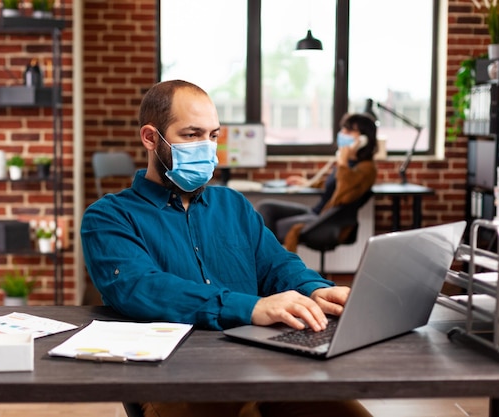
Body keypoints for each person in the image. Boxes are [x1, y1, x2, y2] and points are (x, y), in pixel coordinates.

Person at [81, 80, 371, 417]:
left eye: (213, 135)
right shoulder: (108, 217)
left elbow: (277, 265)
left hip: (258, 362)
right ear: (150, 138)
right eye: (191, 135)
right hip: (173, 377)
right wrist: (250, 308)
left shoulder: (233, 205)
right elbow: (140, 287)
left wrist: (314, 289)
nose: (206, 147)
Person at [256, 114, 378, 252]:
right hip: (316, 212)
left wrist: (343, 162)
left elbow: (344, 194)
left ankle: (268, 266)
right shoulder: (349, 164)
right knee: (265, 207)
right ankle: (267, 263)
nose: (342, 134)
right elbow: (332, 185)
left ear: (363, 139)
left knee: (274, 227)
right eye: (343, 129)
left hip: (325, 220)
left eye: (349, 131)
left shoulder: (367, 168)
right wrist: (306, 183)